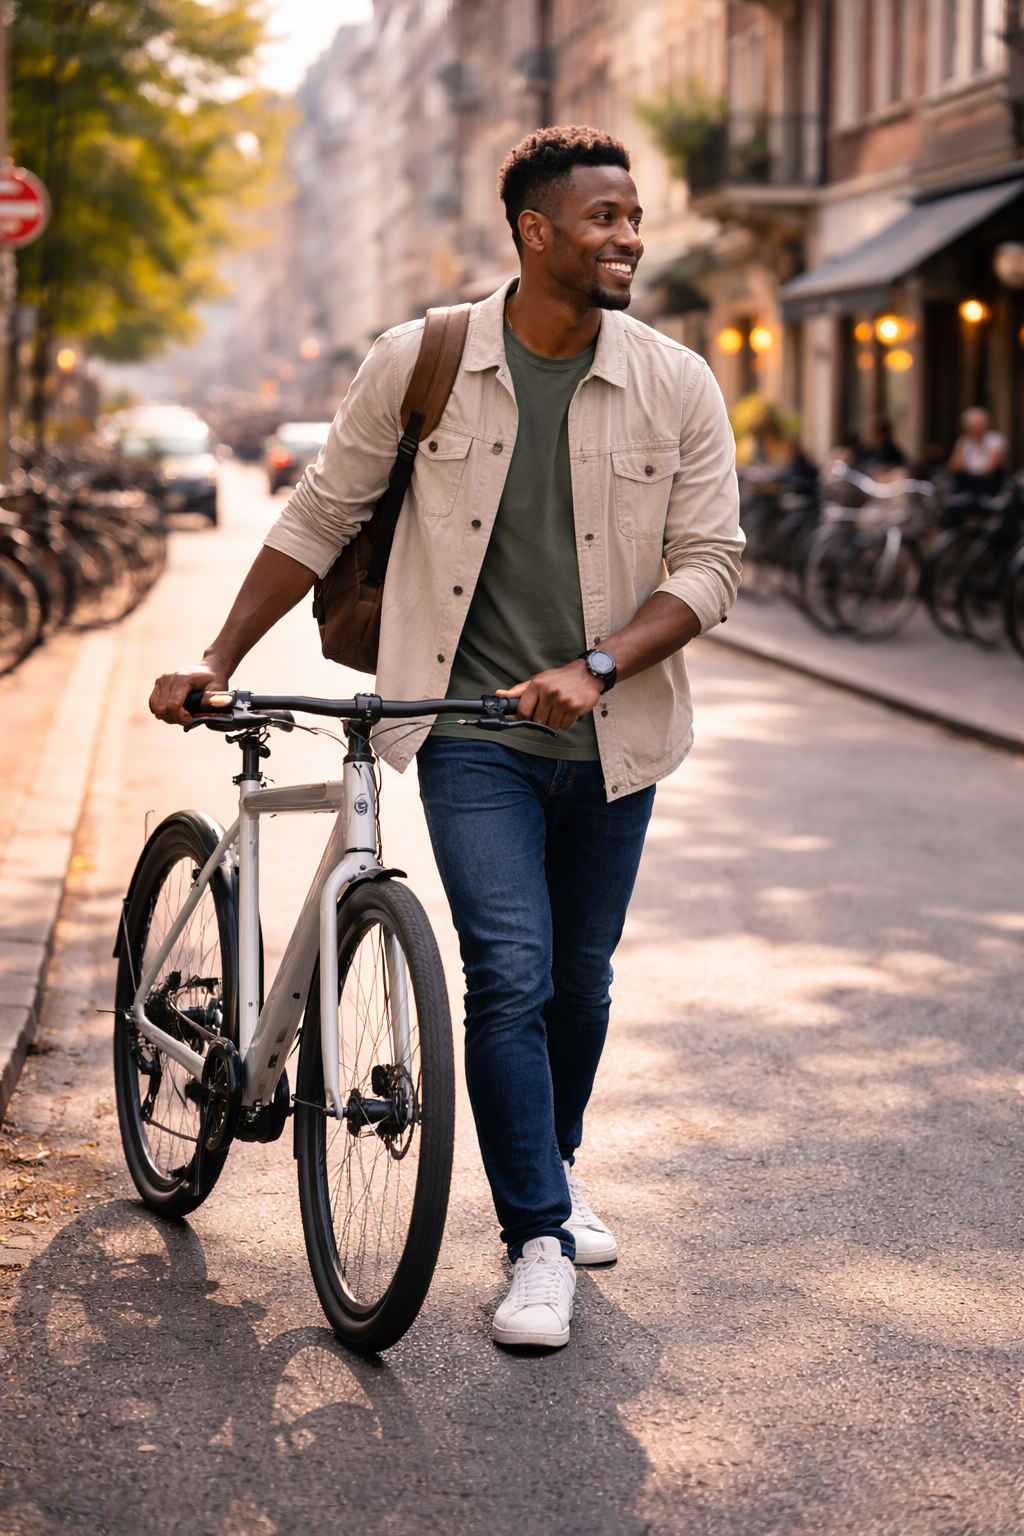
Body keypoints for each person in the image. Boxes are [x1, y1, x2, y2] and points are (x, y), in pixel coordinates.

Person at [149, 125, 743, 1350]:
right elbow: (323, 512)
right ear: (534, 231)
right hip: (465, 726)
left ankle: (555, 1174)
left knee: (580, 982)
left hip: (616, 735)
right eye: (604, 219)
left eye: (634, 217)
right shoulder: (421, 360)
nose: (629, 236)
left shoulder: (675, 379)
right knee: (510, 973)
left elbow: (714, 565)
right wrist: (218, 657)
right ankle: (533, 1238)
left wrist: (596, 668)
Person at [948, 407, 1006, 496]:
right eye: (973, 425)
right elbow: (955, 466)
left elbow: (993, 465)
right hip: (968, 479)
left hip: (988, 480)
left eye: (979, 425)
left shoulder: (995, 438)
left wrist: (975, 471)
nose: (976, 428)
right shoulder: (964, 440)